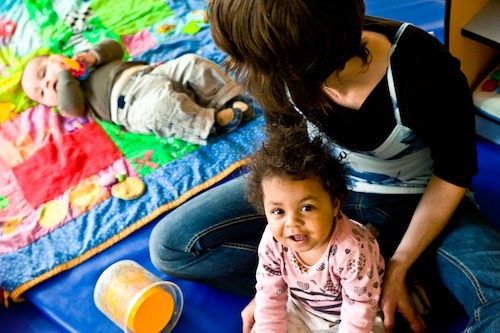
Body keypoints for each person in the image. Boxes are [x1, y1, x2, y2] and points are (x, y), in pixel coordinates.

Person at [150, 0, 500, 332]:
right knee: (173, 245)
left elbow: (453, 172)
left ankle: (383, 283)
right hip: (316, 189)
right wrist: (273, 281)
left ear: (309, 56)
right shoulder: (276, 69)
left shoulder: (420, 66)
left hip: (417, 198)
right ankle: (339, 294)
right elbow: (285, 161)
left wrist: (398, 266)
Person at [245, 124, 385, 332]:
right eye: (278, 212)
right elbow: (269, 295)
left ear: (335, 204)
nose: (292, 223)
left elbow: (359, 310)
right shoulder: (272, 241)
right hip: (302, 308)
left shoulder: (353, 249)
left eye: (306, 208)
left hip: (354, 314)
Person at [21, 38, 253, 145]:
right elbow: (72, 107)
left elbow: (115, 48)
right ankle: (212, 123)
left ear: (55, 58)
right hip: (132, 105)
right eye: (41, 93)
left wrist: (93, 56)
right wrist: (63, 77)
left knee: (192, 63)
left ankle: (227, 99)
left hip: (152, 74)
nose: (46, 85)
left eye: (43, 74)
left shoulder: (87, 60)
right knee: (163, 108)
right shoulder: (70, 100)